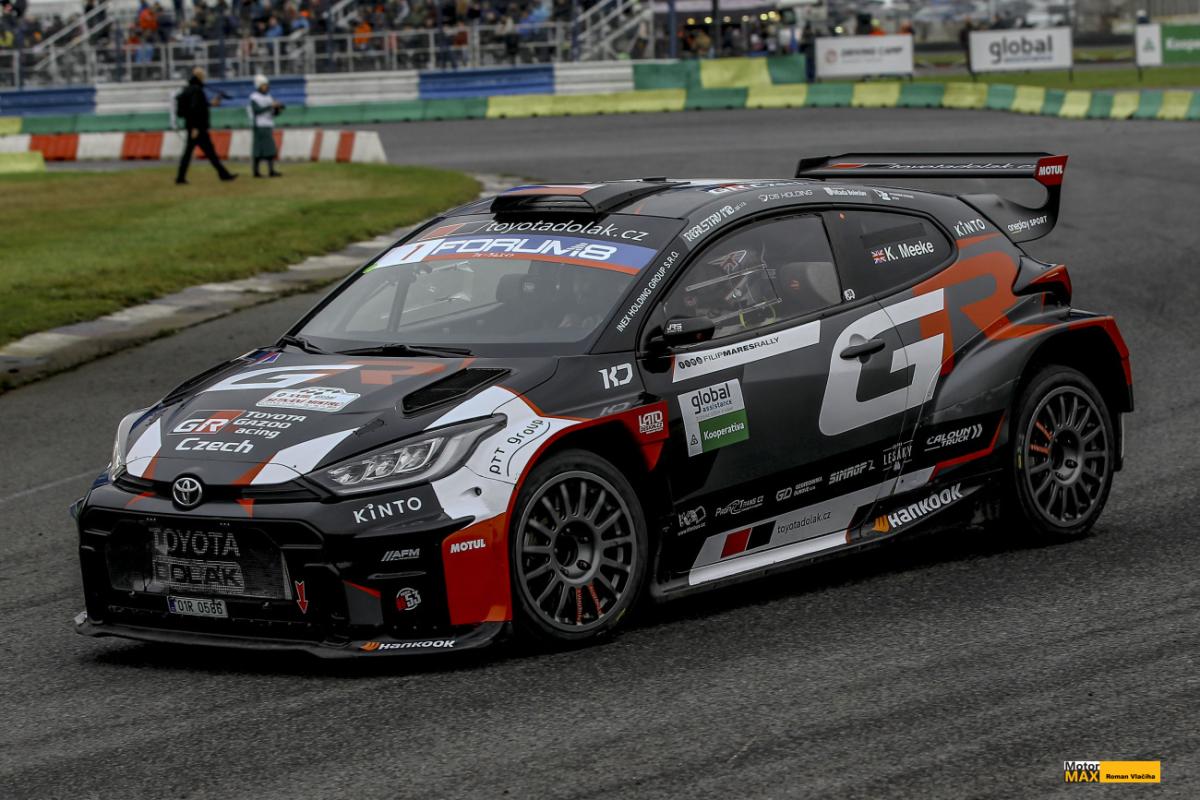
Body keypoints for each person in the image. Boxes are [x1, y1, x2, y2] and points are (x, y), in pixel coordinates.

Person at [175, 66, 237, 184]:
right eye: (202, 75)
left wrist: (210, 104)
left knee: (192, 153)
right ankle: (224, 175)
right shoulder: (197, 90)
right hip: (198, 128)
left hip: (194, 127)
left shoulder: (190, 89)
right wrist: (195, 127)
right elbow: (195, 109)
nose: (204, 77)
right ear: (199, 76)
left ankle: (181, 177)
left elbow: (198, 106)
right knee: (209, 153)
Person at [248, 73, 283, 177]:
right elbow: (257, 110)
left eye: (266, 85)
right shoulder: (254, 97)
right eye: (264, 85)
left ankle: (270, 170)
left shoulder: (269, 97)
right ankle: (256, 171)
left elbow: (273, 113)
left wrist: (277, 109)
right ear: (258, 86)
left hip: (267, 125)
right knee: (258, 150)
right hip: (259, 125)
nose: (266, 87)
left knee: (270, 149)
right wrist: (270, 106)